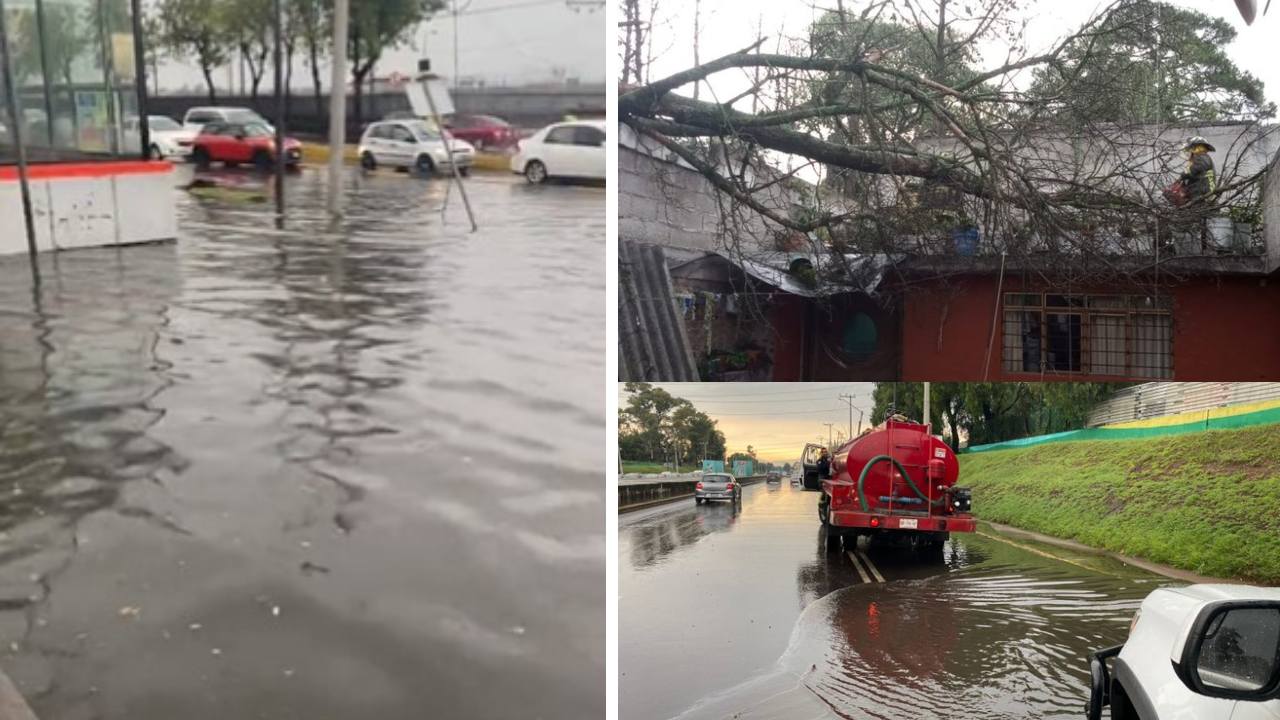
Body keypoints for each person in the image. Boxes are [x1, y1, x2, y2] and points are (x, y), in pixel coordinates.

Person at [1179, 136, 1217, 201]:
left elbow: (1190, 172)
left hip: (1204, 196)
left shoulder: (1202, 158)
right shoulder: (1201, 158)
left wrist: (1182, 176)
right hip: (1201, 195)